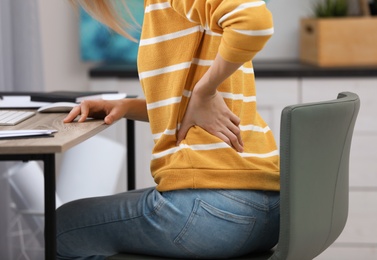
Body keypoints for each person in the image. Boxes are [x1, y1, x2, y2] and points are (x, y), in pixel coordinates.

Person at [57, 0, 280, 259]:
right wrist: (127, 106)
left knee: (62, 228)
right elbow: (197, 114)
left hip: (211, 213)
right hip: (270, 212)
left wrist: (205, 91)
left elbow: (254, 21)